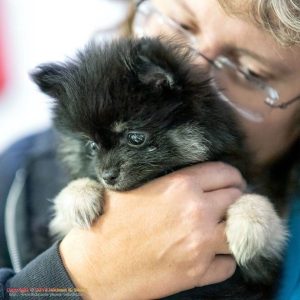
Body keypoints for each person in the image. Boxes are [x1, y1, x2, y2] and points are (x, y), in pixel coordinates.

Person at [1, 0, 299, 299]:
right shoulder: (19, 179)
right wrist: (79, 277)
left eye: (251, 71)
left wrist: (249, 208)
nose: (196, 67)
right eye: (180, 24)